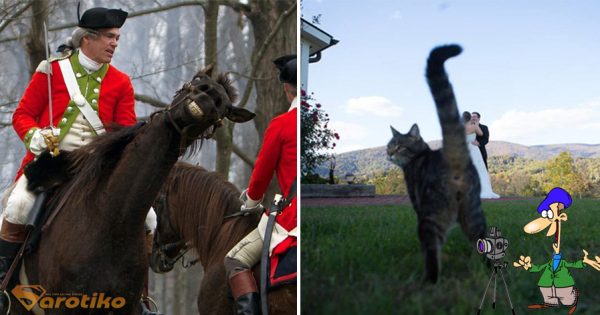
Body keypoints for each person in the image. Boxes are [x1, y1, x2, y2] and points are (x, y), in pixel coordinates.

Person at [0, 6, 158, 314]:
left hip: (98, 170)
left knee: (150, 218)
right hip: (52, 164)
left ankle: (139, 295)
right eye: (109, 37)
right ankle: (3, 284)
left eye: (117, 38)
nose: (114, 44)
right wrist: (35, 137)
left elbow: (125, 134)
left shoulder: (121, 82)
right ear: (88, 39)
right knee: (18, 206)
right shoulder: (52, 71)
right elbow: (23, 115)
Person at [223, 55, 297, 314]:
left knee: (235, 260)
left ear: (287, 89)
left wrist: (251, 200)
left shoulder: (281, 125)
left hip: (293, 219)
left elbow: (261, 177)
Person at [463, 111, 499, 199]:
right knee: (478, 170)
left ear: (479, 118)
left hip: (470, 150)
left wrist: (478, 143)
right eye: (472, 116)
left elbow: (485, 138)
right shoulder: (474, 126)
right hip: (473, 150)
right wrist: (475, 126)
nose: (473, 118)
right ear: (469, 118)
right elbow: (481, 134)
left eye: (475, 116)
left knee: (481, 170)